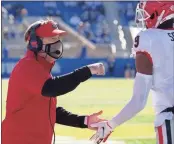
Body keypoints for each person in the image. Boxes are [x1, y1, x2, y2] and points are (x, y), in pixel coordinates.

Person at [2, 19, 106, 144]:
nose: (57, 43)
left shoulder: (41, 69)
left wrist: (84, 121)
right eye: (52, 39)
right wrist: (89, 70)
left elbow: (48, 111)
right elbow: (53, 87)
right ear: (36, 43)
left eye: (58, 38)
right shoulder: (27, 66)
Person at [90, 1, 174, 144]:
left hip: (169, 119)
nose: (144, 19)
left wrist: (110, 125)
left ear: (158, 13)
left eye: (146, 14)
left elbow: (138, 101)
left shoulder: (148, 38)